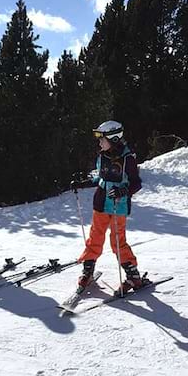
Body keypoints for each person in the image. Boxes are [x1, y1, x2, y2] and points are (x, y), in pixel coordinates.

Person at [70, 120, 145, 294]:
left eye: (102, 139)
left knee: (117, 241)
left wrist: (123, 191)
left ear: (114, 139)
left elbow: (136, 184)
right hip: (101, 202)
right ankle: (88, 271)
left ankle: (133, 276)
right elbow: (101, 179)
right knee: (95, 237)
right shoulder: (103, 156)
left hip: (118, 205)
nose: (99, 142)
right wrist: (84, 183)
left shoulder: (128, 159)